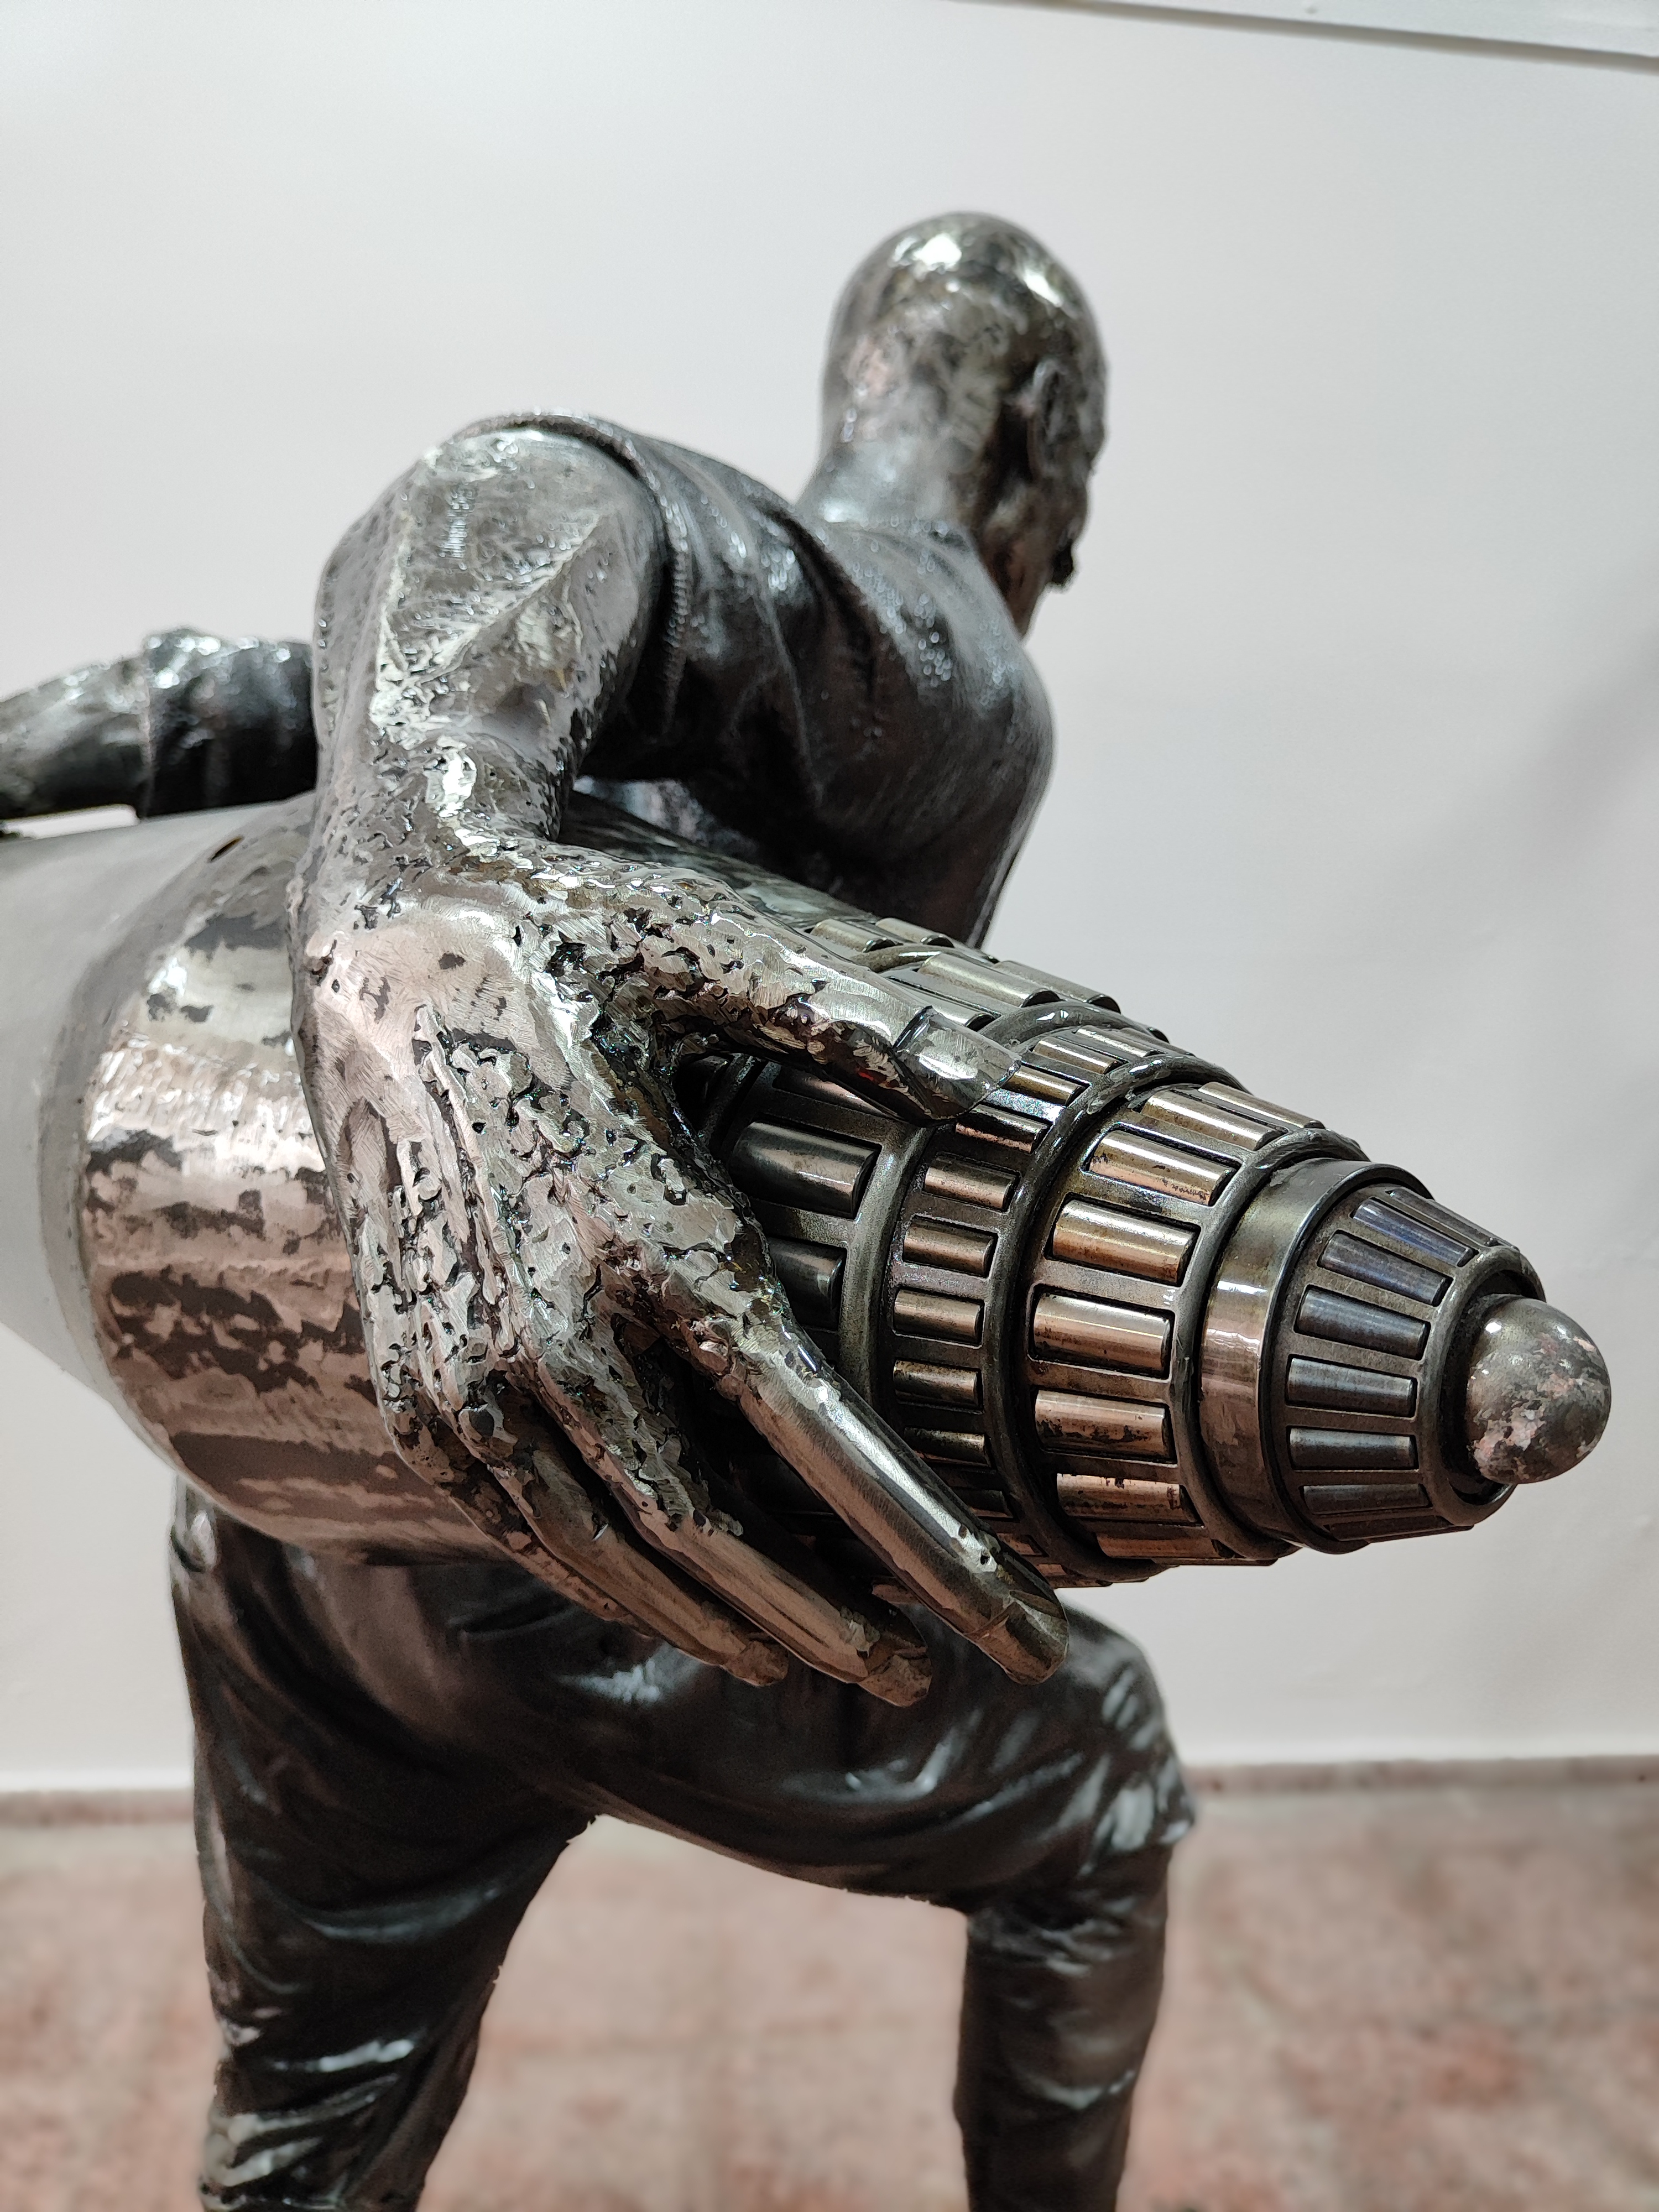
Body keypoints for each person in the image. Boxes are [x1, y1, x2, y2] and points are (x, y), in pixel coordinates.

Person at [1, 214, 1191, 2210]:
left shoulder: (714, 668)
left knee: (320, 2091)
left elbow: (258, 696)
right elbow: (508, 496)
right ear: (1045, 452)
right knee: (1107, 1779)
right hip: (605, 1554)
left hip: (307, 1526)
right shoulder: (944, 651)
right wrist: (413, 898)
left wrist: (108, 738)